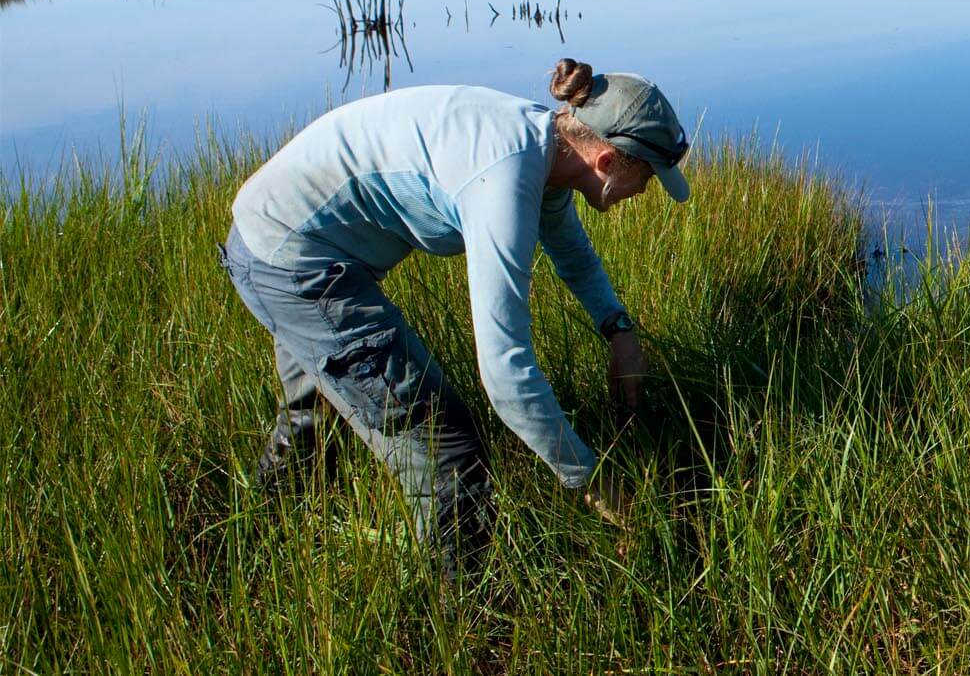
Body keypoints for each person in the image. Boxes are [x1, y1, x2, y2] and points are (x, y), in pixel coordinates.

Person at [217, 58, 689, 574]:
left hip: (275, 234)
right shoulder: (502, 180)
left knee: (314, 417)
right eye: (646, 177)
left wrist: (620, 332)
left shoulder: (544, 148)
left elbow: (572, 254)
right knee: (448, 448)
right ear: (605, 161)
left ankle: (246, 547)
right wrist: (590, 481)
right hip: (291, 261)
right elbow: (506, 376)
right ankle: (458, 613)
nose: (643, 193)